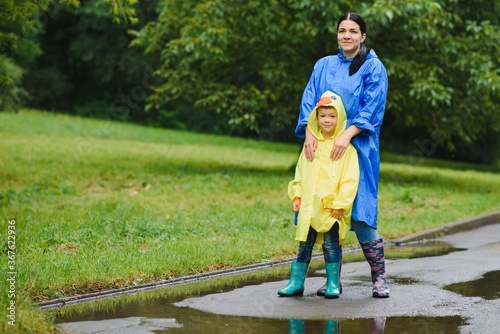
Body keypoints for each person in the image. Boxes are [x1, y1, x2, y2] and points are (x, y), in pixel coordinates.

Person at [296, 12, 390, 298]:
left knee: (360, 214)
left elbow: (371, 107)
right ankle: (332, 280)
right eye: (342, 30)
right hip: (325, 151)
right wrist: (309, 131)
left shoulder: (373, 68)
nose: (346, 35)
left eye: (353, 31)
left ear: (362, 36)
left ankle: (379, 278)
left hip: (359, 149)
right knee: (325, 211)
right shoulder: (323, 65)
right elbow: (310, 98)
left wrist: (347, 135)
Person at [278, 91, 359, 299]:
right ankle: (296, 282)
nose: (327, 120)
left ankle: (333, 283)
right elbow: (300, 171)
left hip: (331, 207)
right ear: (316, 117)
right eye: (322, 116)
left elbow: (350, 179)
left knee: (331, 244)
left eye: (332, 116)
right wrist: (297, 194)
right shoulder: (310, 145)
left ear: (340, 117)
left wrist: (340, 204)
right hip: (308, 206)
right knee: (304, 243)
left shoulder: (346, 149)